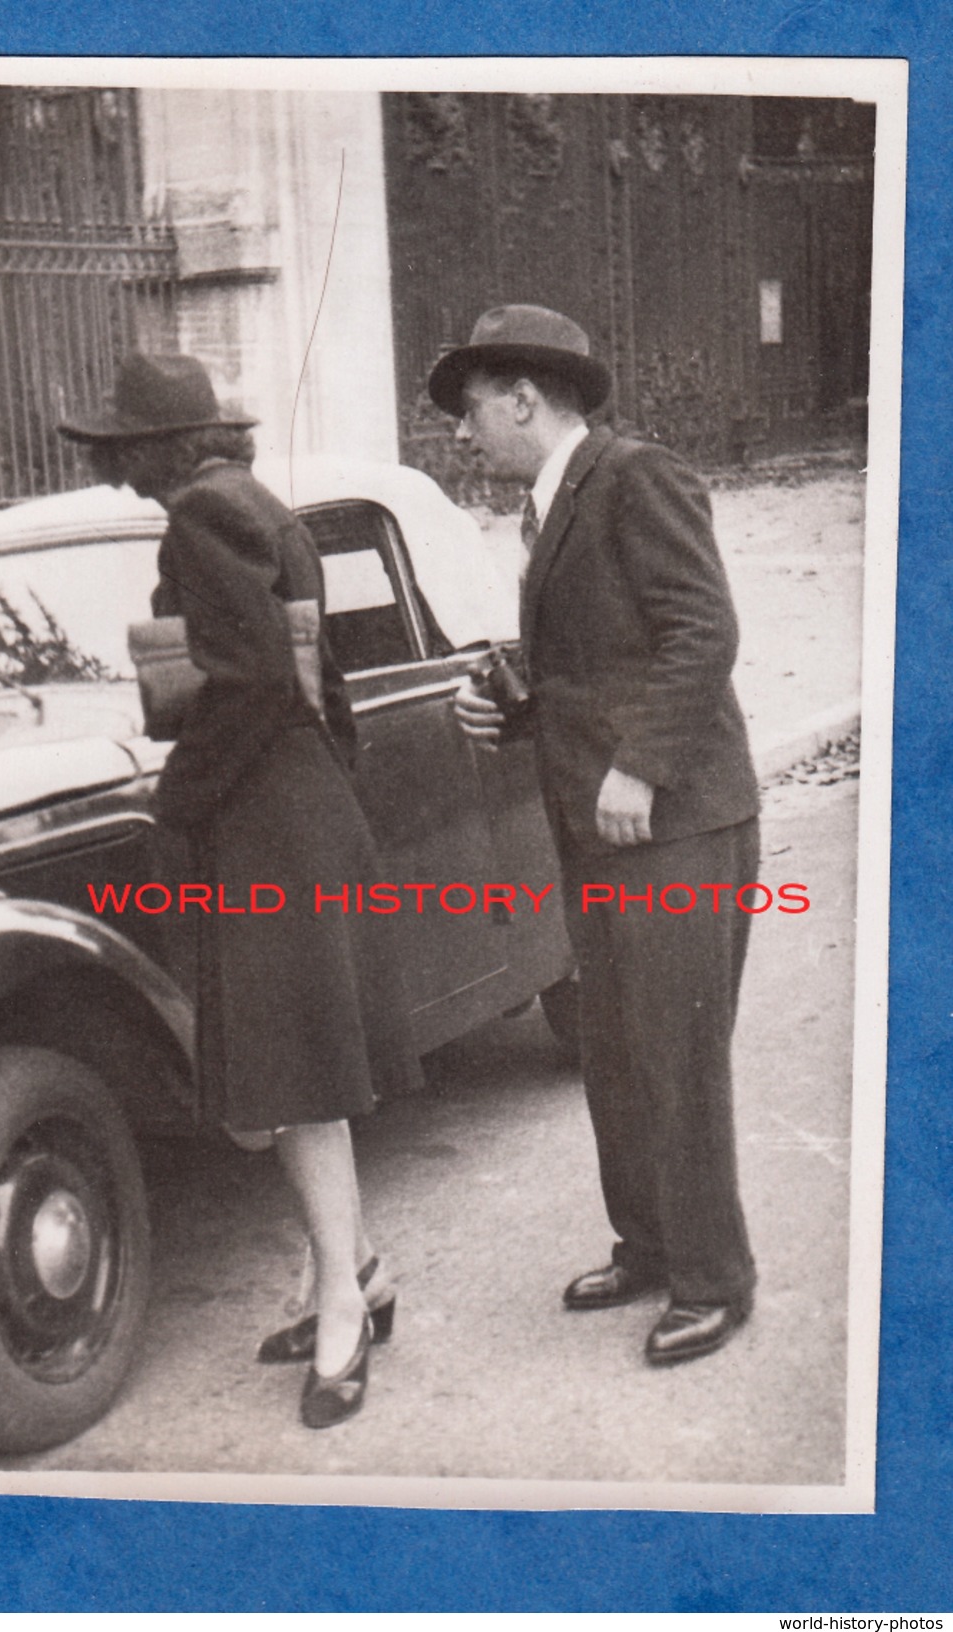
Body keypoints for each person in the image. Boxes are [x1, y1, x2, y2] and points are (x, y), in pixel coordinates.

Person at [59, 353, 419, 1426]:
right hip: (299, 809)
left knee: (292, 1079)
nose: (111, 463)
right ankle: (354, 1274)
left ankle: (344, 1320)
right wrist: (323, 785)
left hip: (264, 823)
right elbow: (316, 676)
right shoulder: (258, 503)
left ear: (150, 449)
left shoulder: (198, 520)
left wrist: (180, 799)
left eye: (118, 445)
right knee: (298, 1066)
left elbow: (254, 680)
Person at [430, 305, 760, 1366]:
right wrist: (515, 707)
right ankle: (650, 1246)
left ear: (523, 397)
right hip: (605, 828)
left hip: (675, 823)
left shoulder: (633, 475)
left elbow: (700, 628)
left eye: (470, 408)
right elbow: (599, 663)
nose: (460, 433)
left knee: (675, 1054)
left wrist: (637, 766)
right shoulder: (551, 505)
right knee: (612, 1053)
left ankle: (714, 1279)